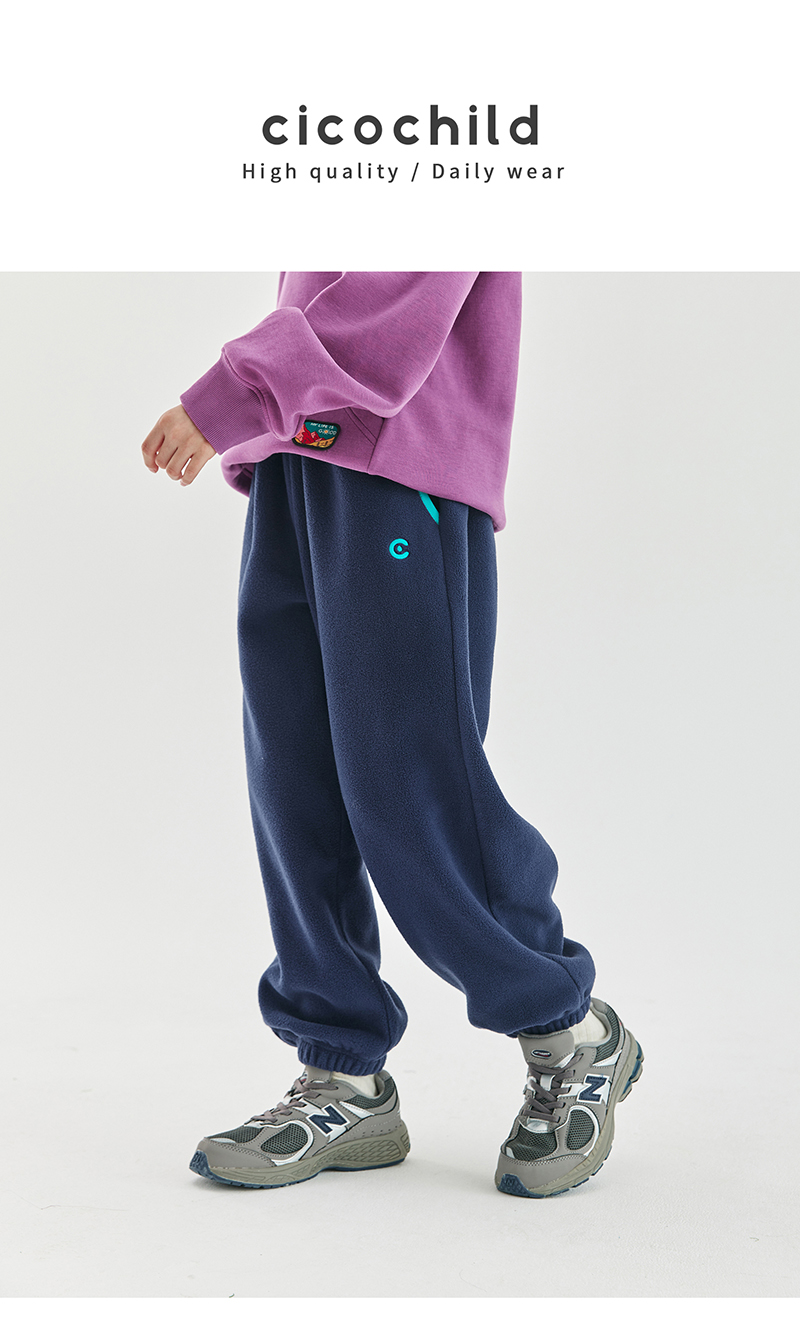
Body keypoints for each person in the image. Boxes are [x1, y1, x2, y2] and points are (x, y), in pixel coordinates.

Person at [141, 271, 642, 1198]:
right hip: (298, 460)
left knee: (411, 783)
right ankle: (343, 1072)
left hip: (401, 469)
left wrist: (232, 395)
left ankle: (568, 1032)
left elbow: (392, 301)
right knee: (295, 781)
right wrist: (263, 418)